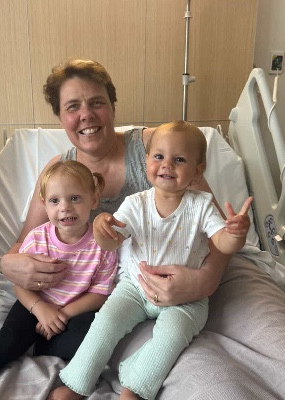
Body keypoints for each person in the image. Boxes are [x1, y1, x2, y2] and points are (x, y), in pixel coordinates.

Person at [0, 59, 232, 362]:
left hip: (180, 290)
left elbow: (218, 229)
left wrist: (205, 281)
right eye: (72, 107)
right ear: (60, 117)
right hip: (112, 298)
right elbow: (24, 241)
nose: (86, 115)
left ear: (112, 107)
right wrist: (8, 263)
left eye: (97, 102)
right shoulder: (58, 171)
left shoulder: (158, 149)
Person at [50, 121, 252, 400]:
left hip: (185, 298)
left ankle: (134, 387)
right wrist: (100, 228)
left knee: (172, 337)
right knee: (105, 324)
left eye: (179, 160)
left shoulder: (202, 205)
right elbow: (112, 241)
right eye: (159, 156)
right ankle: (77, 382)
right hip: (134, 287)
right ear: (146, 162)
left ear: (197, 170)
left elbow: (223, 244)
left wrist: (235, 234)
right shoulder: (136, 203)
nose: (167, 165)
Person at [0, 160, 118, 400]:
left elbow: (100, 293)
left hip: (76, 310)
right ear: (43, 204)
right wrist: (40, 309)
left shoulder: (102, 245)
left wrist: (62, 314)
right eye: (55, 200)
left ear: (94, 199)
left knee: (95, 341)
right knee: (6, 341)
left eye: (75, 198)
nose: (65, 208)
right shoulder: (37, 238)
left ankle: (38, 346)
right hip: (33, 304)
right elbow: (20, 286)